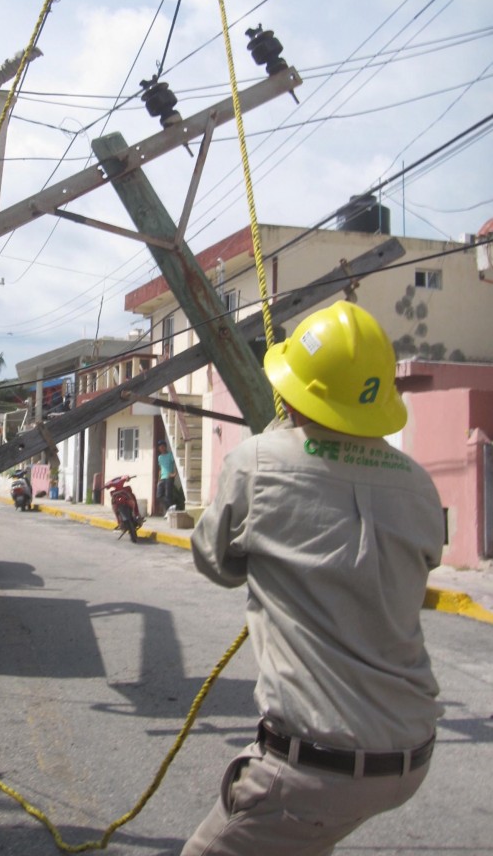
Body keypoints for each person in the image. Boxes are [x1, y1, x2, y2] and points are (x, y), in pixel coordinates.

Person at [182, 300, 444, 856]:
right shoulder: (420, 484)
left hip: (315, 768)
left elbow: (214, 562)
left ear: (296, 392)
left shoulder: (257, 460)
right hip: (410, 756)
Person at [156, 439, 176, 515]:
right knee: (159, 496)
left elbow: (176, 465)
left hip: (169, 477)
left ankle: (169, 512)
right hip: (162, 478)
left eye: (162, 446)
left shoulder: (170, 455)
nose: (161, 448)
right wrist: (158, 479)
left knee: (168, 495)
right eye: (159, 447)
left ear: (165, 447)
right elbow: (160, 469)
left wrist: (174, 474)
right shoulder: (159, 457)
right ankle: (171, 507)